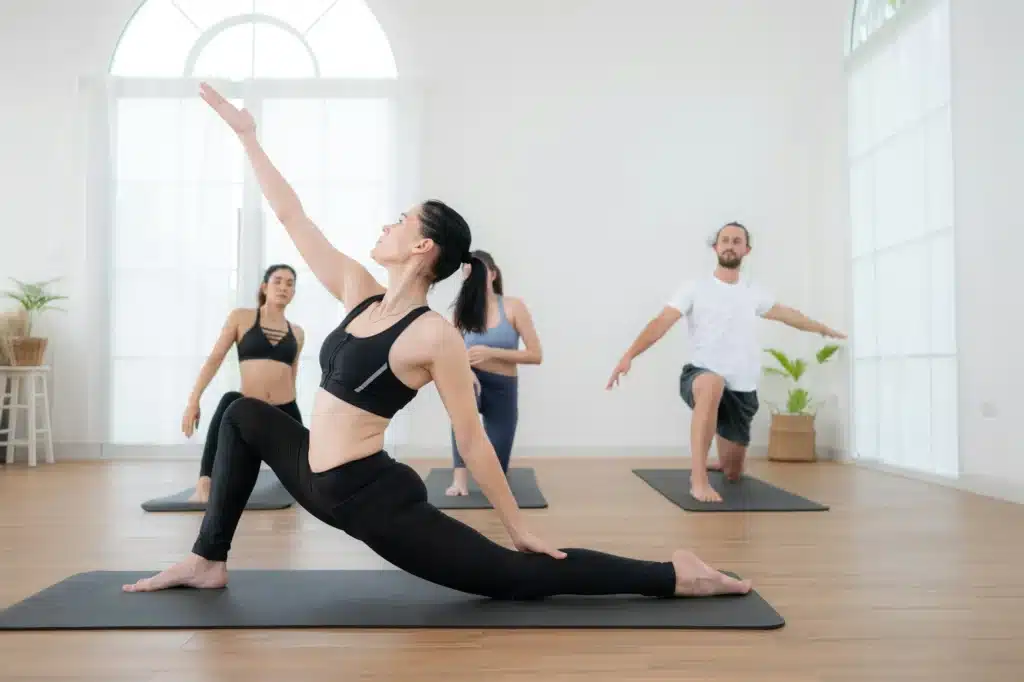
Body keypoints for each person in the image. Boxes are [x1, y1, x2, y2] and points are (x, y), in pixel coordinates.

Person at [122, 82, 752, 601]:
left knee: (515, 578)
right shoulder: (359, 292)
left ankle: (675, 575)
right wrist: (247, 137)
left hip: (371, 501)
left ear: (423, 246)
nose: (386, 224)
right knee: (239, 413)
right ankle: (208, 560)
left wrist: (516, 526)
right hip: (317, 480)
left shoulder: (434, 335)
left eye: (400, 221)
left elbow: (472, 438)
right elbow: (294, 216)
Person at [607, 222, 845, 503]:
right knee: (712, 384)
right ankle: (698, 480)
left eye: (737, 241)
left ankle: (724, 461)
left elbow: (788, 314)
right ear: (715, 247)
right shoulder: (695, 288)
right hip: (701, 375)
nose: (730, 245)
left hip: (741, 389)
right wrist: (628, 356)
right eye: (725, 240)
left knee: (734, 474)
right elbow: (661, 323)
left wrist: (822, 329)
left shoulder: (753, 291)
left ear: (746, 249)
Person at [181, 264, 305, 503]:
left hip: (285, 410)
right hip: (249, 408)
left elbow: (292, 375)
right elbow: (214, 360)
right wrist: (193, 401)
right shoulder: (242, 317)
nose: (283, 287)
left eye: (290, 284)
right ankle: (205, 481)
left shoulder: (297, 333)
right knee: (230, 399)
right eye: (278, 281)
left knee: (309, 472)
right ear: (264, 287)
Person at [446, 250, 542, 496]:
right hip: (471, 380)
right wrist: (465, 371)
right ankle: (459, 481)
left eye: (478, 271)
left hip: (503, 386)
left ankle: (494, 474)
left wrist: (491, 353)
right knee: (462, 415)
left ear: (493, 274)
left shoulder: (513, 307)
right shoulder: (461, 311)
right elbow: (452, 354)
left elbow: (535, 355)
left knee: (498, 466)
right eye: (467, 273)